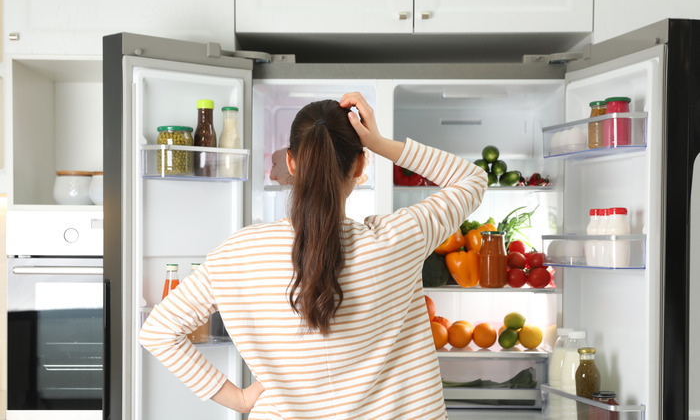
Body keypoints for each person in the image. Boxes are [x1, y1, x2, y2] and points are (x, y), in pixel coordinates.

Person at [139, 92, 487, 418]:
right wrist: (378, 141)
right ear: (359, 166)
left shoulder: (238, 253)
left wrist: (240, 399)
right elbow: (471, 179)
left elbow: (158, 331)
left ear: (291, 162)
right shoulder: (399, 239)